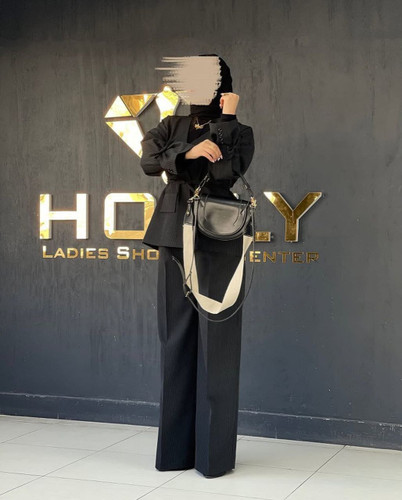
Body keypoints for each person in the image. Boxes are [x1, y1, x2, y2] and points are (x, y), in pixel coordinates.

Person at [140, 55, 254, 478]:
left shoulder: (239, 130)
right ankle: (174, 453)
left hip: (216, 239)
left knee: (218, 343)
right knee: (176, 339)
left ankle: (213, 459)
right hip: (173, 235)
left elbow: (226, 173)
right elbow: (149, 161)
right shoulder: (171, 125)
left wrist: (226, 119)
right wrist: (189, 149)